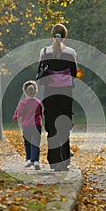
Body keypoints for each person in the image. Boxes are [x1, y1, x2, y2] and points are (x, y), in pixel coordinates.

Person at [38, 24, 77, 171]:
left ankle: (54, 161)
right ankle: (65, 160)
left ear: (52, 35)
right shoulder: (71, 53)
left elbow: (40, 73)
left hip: (50, 94)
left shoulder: (44, 52)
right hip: (66, 94)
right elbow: (73, 73)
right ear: (64, 36)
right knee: (64, 127)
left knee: (52, 128)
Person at [13, 80, 43, 170]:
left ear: (24, 91)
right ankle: (36, 161)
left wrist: (15, 117)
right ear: (35, 91)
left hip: (26, 126)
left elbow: (19, 112)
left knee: (27, 143)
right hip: (37, 125)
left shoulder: (22, 103)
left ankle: (29, 159)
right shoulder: (38, 102)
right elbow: (41, 113)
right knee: (35, 143)